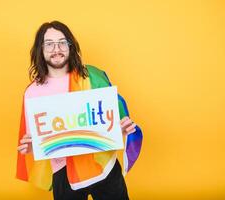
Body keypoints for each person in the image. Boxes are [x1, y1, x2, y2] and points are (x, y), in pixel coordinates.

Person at [16, 21, 143, 200]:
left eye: (62, 42)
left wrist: (121, 128)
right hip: (64, 173)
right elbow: (38, 140)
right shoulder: (33, 92)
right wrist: (31, 147)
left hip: (103, 166)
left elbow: (110, 120)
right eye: (49, 44)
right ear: (40, 49)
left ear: (70, 46)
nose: (56, 48)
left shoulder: (91, 76)